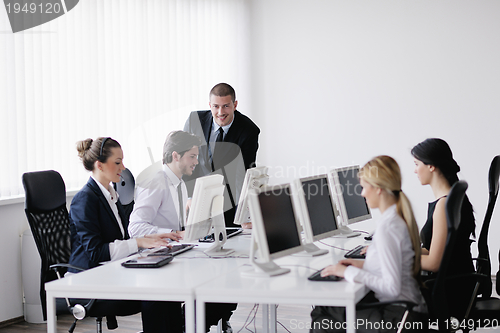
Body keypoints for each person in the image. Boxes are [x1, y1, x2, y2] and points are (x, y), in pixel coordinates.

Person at [68, 137, 183, 332]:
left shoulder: (111, 195)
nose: (123, 167)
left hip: (111, 272)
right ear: (100, 165)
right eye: (117, 162)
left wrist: (149, 239)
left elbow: (119, 241)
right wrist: (138, 243)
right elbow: (96, 253)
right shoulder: (84, 200)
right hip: (89, 281)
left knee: (167, 289)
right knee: (156, 296)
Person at [128, 130, 237, 333]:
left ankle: (190, 324)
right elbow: (135, 227)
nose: (196, 162)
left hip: (175, 254)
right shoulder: (156, 182)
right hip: (155, 263)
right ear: (176, 155)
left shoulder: (179, 183)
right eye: (192, 156)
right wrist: (173, 233)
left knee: (223, 288)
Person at [310, 156, 426, 333]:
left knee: (323, 314)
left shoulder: (389, 227)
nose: (362, 194)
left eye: (364, 187)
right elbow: (392, 265)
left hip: (399, 317)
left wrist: (347, 271)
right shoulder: (395, 218)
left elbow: (392, 288)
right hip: (405, 311)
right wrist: (362, 264)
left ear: (378, 188)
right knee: (328, 308)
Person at [411, 138, 475, 318]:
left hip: (450, 292)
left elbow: (434, 263)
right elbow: (435, 251)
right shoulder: (453, 197)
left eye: (417, 164)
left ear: (431, 166)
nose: (414, 170)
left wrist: (397, 259)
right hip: (458, 283)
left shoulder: (443, 206)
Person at [183, 83, 260, 228]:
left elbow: (243, 174)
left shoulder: (249, 131)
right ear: (209, 105)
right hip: (196, 198)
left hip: (228, 204)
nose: (220, 112)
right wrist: (189, 195)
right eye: (216, 106)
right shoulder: (195, 121)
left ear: (235, 104)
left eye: (226, 106)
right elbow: (185, 161)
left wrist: (244, 213)